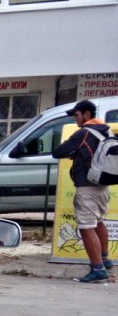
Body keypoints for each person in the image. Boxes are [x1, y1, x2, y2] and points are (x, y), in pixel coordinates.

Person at [51, 99, 113, 283]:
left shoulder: (84, 133)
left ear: (87, 114)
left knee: (86, 227)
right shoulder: (106, 130)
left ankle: (98, 269)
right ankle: (104, 258)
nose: (75, 119)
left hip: (87, 186)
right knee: (98, 222)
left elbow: (59, 151)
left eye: (77, 115)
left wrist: (73, 152)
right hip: (102, 185)